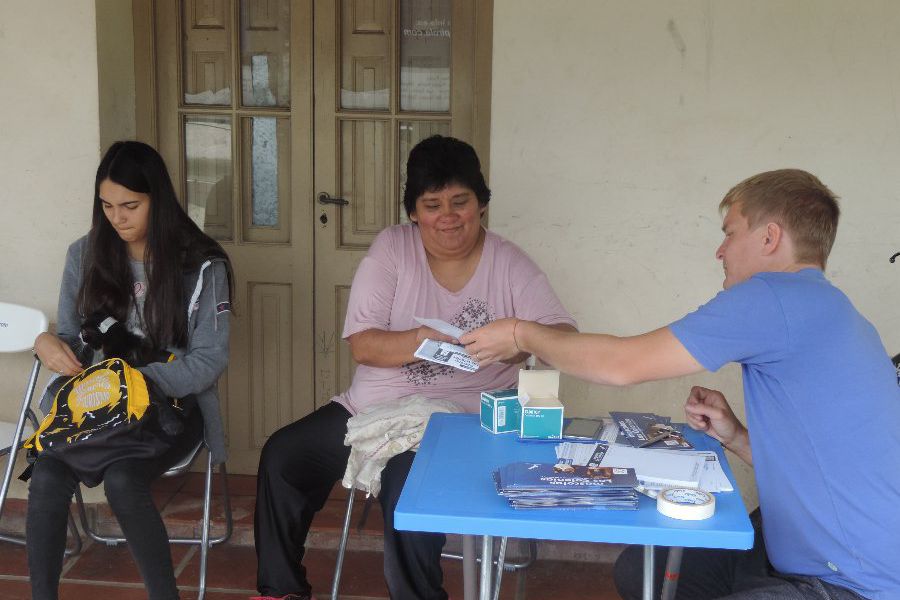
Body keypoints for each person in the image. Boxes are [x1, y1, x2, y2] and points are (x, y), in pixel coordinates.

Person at [462, 169, 900, 600]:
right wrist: (736, 436)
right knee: (644, 572)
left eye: (730, 233)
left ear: (769, 238)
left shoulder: (774, 296)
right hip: (802, 552)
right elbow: (818, 464)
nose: (720, 250)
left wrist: (521, 333)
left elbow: (622, 364)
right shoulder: (828, 306)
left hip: (853, 582)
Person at [253, 135, 577, 600]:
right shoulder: (392, 250)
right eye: (432, 204)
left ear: (482, 204)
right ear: (413, 212)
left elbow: (563, 334)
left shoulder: (507, 262)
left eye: (460, 201)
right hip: (373, 410)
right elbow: (363, 345)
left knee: (408, 484)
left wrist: (519, 339)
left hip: (462, 419)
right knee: (284, 455)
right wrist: (418, 342)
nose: (447, 217)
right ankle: (280, 590)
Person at [30, 141, 233, 600]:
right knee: (45, 472)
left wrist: (132, 384)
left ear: (157, 202)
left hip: (169, 408)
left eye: (130, 206)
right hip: (96, 411)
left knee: (123, 479)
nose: (117, 218)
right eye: (106, 206)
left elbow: (208, 361)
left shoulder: (199, 264)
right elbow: (72, 336)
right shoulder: (85, 255)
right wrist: (46, 342)